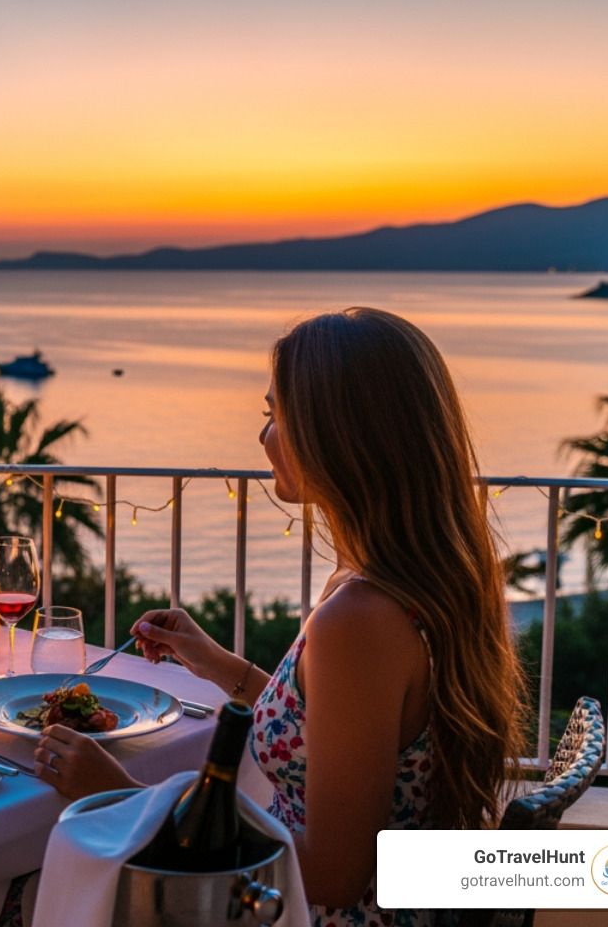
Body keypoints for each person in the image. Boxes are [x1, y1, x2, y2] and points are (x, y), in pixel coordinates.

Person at [32, 308, 525, 927]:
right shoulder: (411, 578)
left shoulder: (359, 619)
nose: (263, 437)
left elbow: (335, 874)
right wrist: (219, 665)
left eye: (275, 416)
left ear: (335, 435)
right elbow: (339, 733)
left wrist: (123, 798)